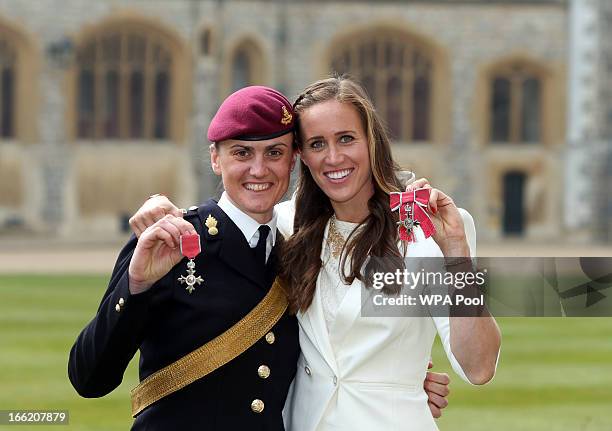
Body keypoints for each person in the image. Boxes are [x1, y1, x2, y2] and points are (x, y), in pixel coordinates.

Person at [69, 85, 450, 431]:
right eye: (241, 153)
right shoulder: (171, 239)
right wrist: (136, 285)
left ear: (293, 161)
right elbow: (89, 379)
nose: (258, 169)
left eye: (274, 153)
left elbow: (318, 358)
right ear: (215, 159)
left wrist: (399, 382)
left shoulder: (299, 245)